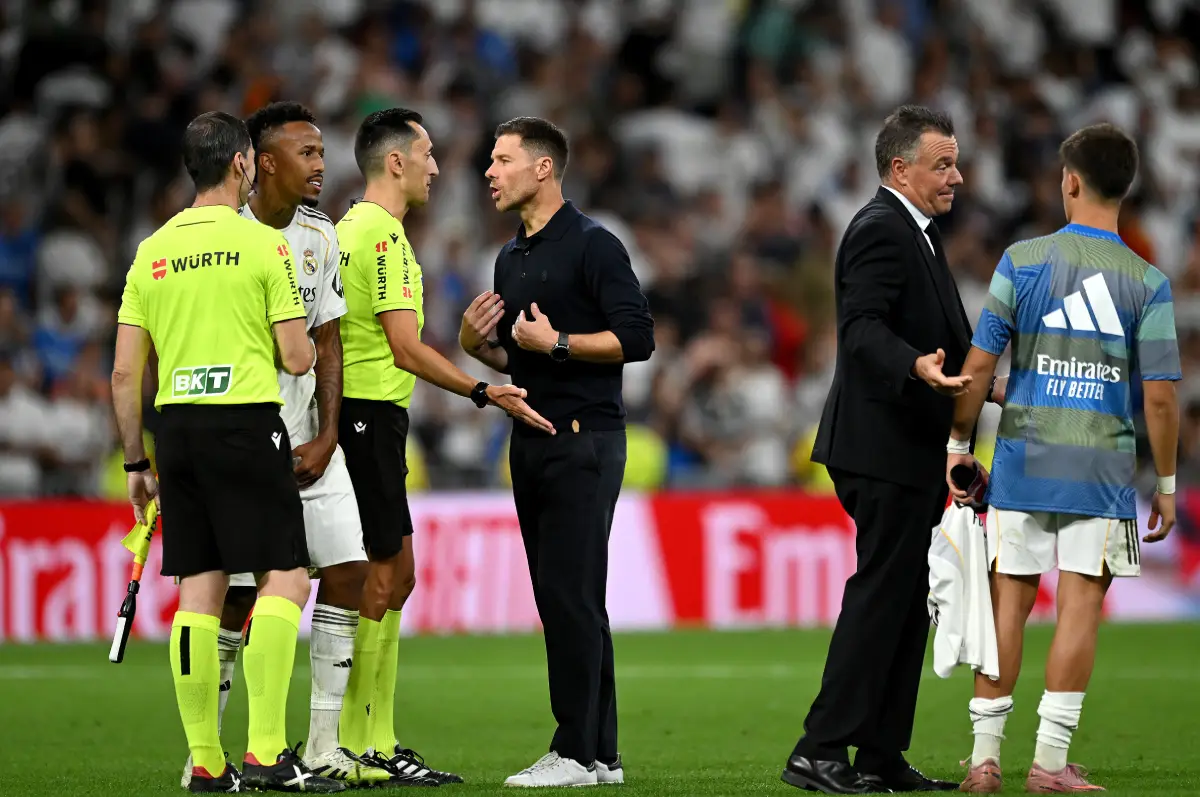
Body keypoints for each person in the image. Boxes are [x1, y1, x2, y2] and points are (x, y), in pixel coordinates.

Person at [111, 111, 342, 793]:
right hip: (245, 422)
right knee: (286, 578)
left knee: (199, 592)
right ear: (244, 163)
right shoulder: (260, 245)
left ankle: (207, 761)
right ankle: (268, 753)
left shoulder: (151, 250)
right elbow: (300, 357)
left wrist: (135, 462)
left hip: (176, 431)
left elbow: (126, 375)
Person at [176, 101, 402, 788]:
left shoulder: (320, 233)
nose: (320, 165)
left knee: (349, 571)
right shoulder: (224, 234)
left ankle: (325, 743)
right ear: (260, 161)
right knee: (241, 596)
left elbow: (327, 338)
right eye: (305, 153)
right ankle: (206, 749)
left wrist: (329, 431)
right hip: (245, 438)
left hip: (309, 433)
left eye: (322, 152)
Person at [950, 123, 1180, 793]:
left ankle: (983, 759)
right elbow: (1161, 398)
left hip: (1023, 459)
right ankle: (1049, 763)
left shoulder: (1021, 261)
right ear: (1126, 186)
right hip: (1101, 475)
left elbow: (981, 361)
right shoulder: (1148, 281)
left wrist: (958, 444)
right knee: (1080, 610)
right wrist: (1165, 484)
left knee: (1007, 607)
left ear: (1070, 181)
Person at [334, 107, 552, 784]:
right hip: (367, 415)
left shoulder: (348, 229)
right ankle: (359, 741)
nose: (436, 167)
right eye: (427, 154)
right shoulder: (380, 237)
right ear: (395, 161)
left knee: (391, 576)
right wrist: (483, 389)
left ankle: (367, 737)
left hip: (363, 416)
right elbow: (402, 348)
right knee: (384, 576)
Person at [783, 104, 978, 794]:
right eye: (943, 164)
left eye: (954, 161)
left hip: (912, 447)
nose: (957, 176)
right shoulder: (880, 229)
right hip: (882, 445)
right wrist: (915, 367)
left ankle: (881, 752)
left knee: (904, 600)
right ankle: (820, 747)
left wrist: (979, 389)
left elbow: (935, 338)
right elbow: (860, 328)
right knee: (880, 596)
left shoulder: (916, 233)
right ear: (901, 167)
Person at [461, 116, 655, 788]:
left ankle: (572, 749)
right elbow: (518, 352)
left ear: (544, 168)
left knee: (570, 597)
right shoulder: (509, 257)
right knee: (571, 599)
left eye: (503, 158)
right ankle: (601, 751)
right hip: (531, 441)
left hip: (584, 440)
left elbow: (637, 336)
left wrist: (563, 345)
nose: (490, 170)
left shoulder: (595, 245)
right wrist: (473, 345)